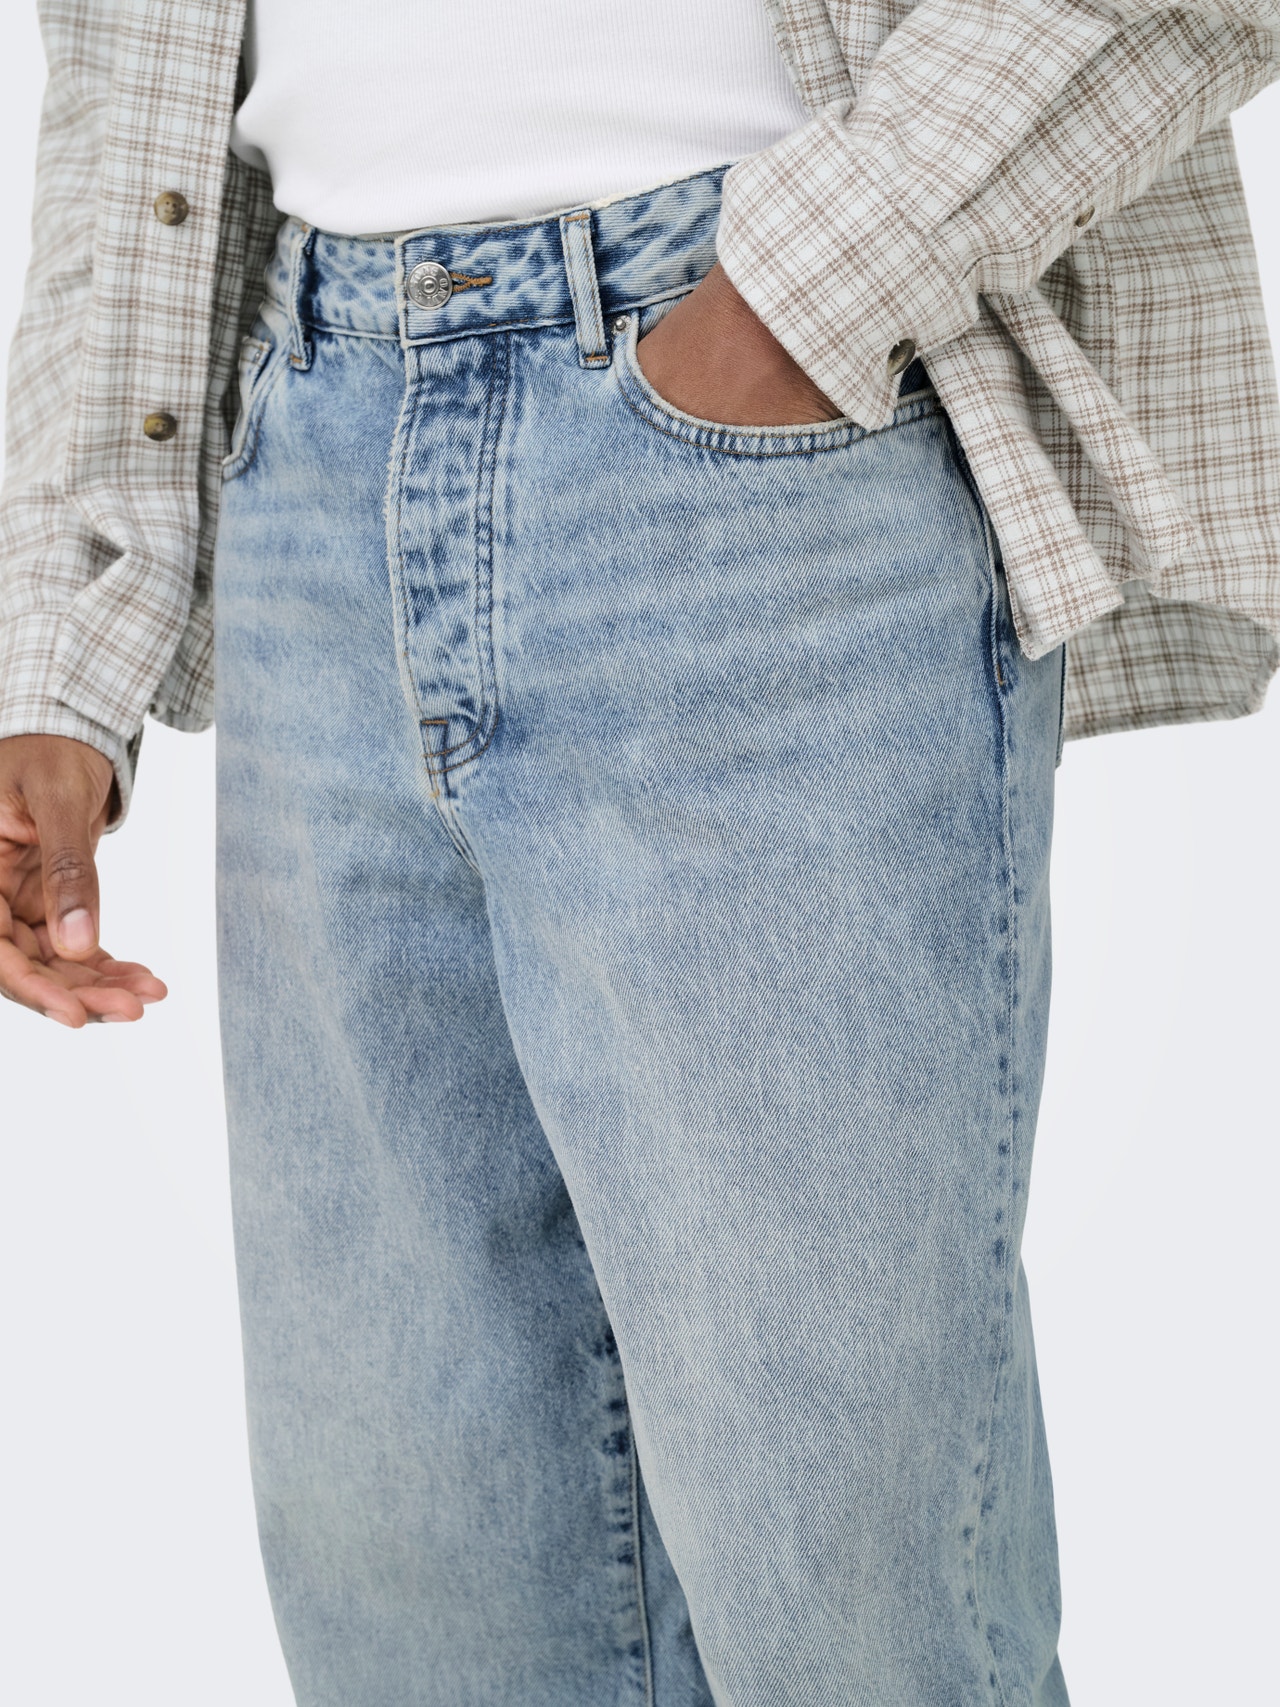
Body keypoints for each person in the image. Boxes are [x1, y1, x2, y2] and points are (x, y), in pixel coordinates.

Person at [2, 1, 1278, 1701]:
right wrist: (62, 651)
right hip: (303, 434)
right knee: (417, 1576)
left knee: (843, 1598)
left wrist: (806, 292)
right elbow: (118, 76)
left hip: (759, 427)